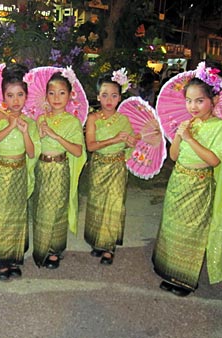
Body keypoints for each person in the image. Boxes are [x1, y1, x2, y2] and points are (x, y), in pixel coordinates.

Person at [152, 62, 222, 297]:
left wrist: (189, 138)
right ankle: (170, 272)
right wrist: (179, 135)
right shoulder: (189, 124)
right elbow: (175, 156)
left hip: (199, 185)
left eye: (199, 100)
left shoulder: (220, 127)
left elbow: (213, 160)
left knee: (191, 232)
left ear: (214, 101)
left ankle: (186, 280)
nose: (193, 106)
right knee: (173, 227)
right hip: (178, 181)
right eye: (189, 100)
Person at [0, 63, 38, 281]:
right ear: (4, 97)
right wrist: (9, 127)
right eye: (10, 95)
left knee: (16, 214)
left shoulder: (29, 121)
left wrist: (23, 131)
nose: (15, 100)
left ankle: (14, 257)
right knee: (0, 214)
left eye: (20, 95)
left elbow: (31, 152)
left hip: (18, 172)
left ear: (26, 96)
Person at [31, 69, 86, 269]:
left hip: (60, 169)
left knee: (58, 209)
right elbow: (34, 146)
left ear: (70, 95)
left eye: (62, 92)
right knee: (41, 208)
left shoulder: (73, 122)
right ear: (46, 96)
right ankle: (41, 246)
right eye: (52, 93)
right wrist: (38, 135)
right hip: (41, 169)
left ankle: (55, 250)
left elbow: (78, 151)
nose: (56, 97)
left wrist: (55, 136)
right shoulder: (40, 119)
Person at [84, 69, 137, 265]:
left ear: (120, 98)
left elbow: (131, 144)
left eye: (114, 95)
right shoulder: (93, 119)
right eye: (104, 95)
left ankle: (109, 247)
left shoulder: (124, 119)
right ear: (98, 96)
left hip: (117, 167)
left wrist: (133, 141)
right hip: (99, 166)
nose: (109, 99)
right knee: (98, 204)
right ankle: (98, 242)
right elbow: (91, 146)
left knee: (114, 205)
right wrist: (114, 139)